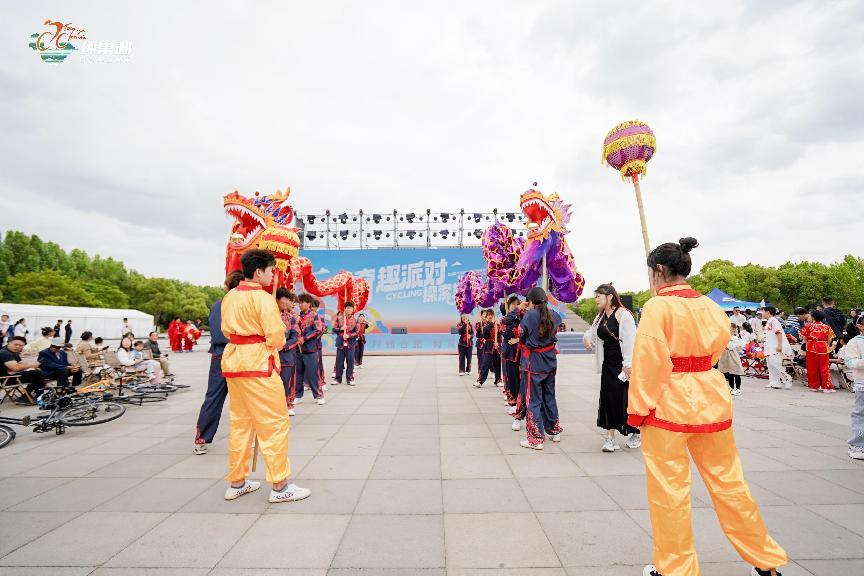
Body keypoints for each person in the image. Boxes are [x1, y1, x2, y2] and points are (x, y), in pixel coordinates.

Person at [628, 237, 786, 576]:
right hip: (711, 399)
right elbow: (715, 351)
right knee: (730, 484)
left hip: (668, 406)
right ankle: (766, 561)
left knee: (669, 493)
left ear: (659, 270)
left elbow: (649, 362)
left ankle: (676, 569)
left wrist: (638, 409)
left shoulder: (657, 307)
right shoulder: (711, 307)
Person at [220, 249, 310, 503]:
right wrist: (269, 342)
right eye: (270, 270)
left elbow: (226, 330)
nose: (272, 275)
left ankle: (237, 482)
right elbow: (277, 337)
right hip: (259, 364)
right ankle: (280, 486)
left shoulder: (230, 296)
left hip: (235, 364)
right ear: (258, 272)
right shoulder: (262, 298)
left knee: (240, 423)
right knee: (274, 423)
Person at [584, 283, 640, 452]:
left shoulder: (624, 315)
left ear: (609, 296)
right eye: (595, 296)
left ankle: (634, 432)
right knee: (608, 399)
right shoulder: (600, 316)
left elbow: (630, 341)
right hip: (607, 364)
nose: (596, 299)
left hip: (622, 365)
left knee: (624, 400)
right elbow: (592, 331)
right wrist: (587, 338)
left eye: (598, 296)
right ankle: (610, 438)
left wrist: (628, 366)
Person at [194, 271, 244, 455]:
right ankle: (203, 438)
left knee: (218, 398)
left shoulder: (218, 305)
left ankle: (202, 439)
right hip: (234, 355)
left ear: (226, 286)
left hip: (224, 354)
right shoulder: (233, 304)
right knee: (221, 397)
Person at [518, 287, 563, 450]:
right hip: (550, 361)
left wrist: (521, 311)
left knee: (533, 400)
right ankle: (554, 430)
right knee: (549, 396)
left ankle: (536, 438)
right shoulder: (554, 315)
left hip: (534, 363)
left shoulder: (529, 315)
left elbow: (521, 336)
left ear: (531, 301)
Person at [839, 315, 864, 460]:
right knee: (860, 414)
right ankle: (858, 445)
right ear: (860, 326)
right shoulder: (854, 342)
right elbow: (851, 362)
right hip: (862, 384)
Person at [276, 287, 301, 417]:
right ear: (277, 298)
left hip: (286, 356)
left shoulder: (291, 318)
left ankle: (288, 404)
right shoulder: (268, 315)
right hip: (269, 356)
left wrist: (284, 346)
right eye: (285, 298)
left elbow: (295, 337)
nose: (287, 302)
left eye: (289, 299)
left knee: (286, 381)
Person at [297, 293, 325, 404]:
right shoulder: (297, 316)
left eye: (302, 302)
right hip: (298, 349)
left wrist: (305, 338)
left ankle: (319, 395)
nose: (300, 304)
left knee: (313, 373)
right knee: (298, 374)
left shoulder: (314, 315)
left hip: (310, 349)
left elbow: (318, 330)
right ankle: (297, 395)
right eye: (299, 302)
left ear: (308, 303)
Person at [799, 309, 835, 393]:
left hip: (811, 347)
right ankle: (826, 387)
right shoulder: (826, 327)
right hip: (823, 347)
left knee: (812, 367)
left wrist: (809, 342)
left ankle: (814, 386)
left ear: (813, 317)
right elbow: (830, 339)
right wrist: (825, 344)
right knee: (824, 367)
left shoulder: (808, 326)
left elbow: (803, 337)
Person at [761, 306, 793, 390]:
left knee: (775, 363)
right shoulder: (769, 321)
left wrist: (779, 345)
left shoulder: (774, 321)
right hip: (769, 346)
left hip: (775, 347)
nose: (762, 313)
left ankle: (787, 379)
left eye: (763, 311)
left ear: (767, 312)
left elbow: (779, 333)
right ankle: (774, 382)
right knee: (770, 364)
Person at [500, 296, 522, 415]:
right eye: (513, 304)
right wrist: (516, 311)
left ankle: (522, 402)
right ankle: (513, 402)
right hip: (509, 352)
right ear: (508, 307)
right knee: (511, 378)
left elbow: (528, 333)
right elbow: (506, 333)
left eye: (517, 304)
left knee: (522, 379)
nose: (515, 306)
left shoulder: (523, 318)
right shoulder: (505, 319)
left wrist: (518, 339)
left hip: (522, 352)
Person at [333, 301, 359, 386]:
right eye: (347, 308)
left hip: (350, 344)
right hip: (340, 344)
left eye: (351, 308)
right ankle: (337, 379)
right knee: (339, 362)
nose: (349, 309)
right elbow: (333, 329)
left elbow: (357, 332)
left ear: (353, 310)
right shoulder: (339, 318)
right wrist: (341, 329)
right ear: (344, 309)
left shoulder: (355, 320)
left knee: (350, 362)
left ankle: (350, 379)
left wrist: (349, 336)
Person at [718, 323, 746, 396]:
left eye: (729, 328)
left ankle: (738, 389)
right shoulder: (726, 337)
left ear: (733, 329)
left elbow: (731, 347)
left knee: (736, 372)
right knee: (729, 373)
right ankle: (731, 388)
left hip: (733, 356)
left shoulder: (735, 338)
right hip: (725, 356)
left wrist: (726, 342)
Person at [474, 309, 498, 388]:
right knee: (485, 363)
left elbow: (501, 334)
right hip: (488, 346)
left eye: (491, 315)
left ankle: (498, 380)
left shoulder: (497, 324)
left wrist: (498, 342)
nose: (490, 316)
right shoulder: (484, 325)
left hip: (497, 346)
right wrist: (491, 324)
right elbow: (484, 333)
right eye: (488, 315)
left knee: (497, 364)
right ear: (486, 317)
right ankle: (480, 381)